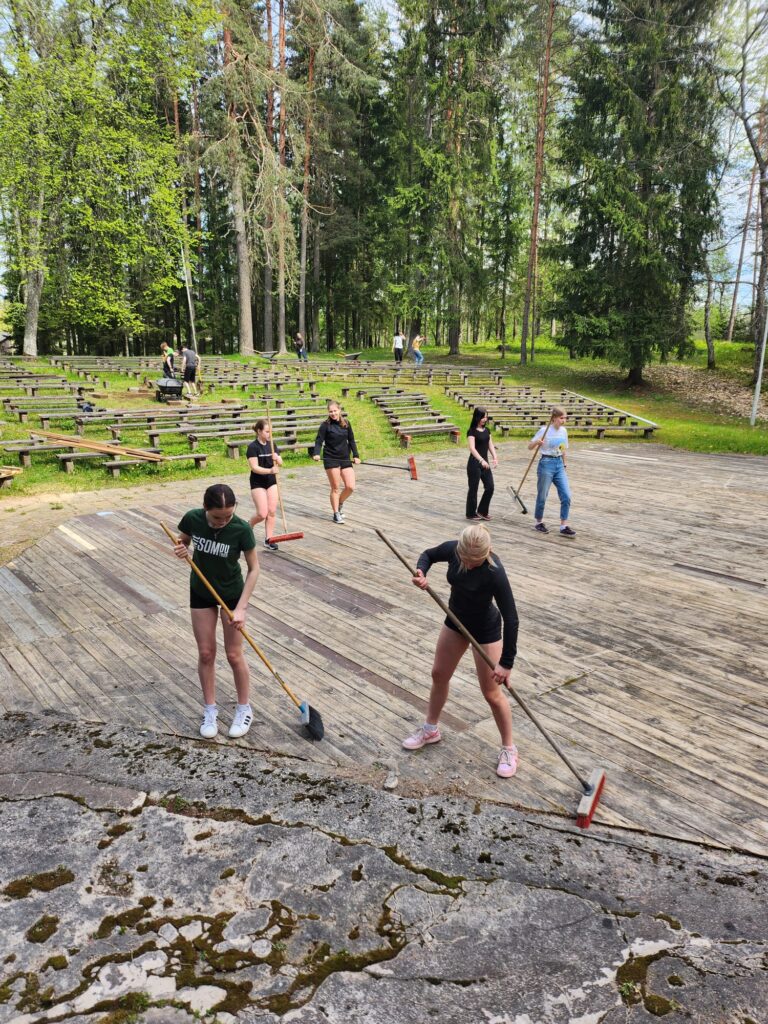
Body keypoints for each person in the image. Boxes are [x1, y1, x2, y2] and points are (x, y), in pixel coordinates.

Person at [401, 524, 520, 779]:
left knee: (490, 692)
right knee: (438, 674)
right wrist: (422, 572)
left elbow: (511, 618)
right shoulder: (455, 550)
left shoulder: (495, 572)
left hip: (485, 630)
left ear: (485, 555)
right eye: (465, 559)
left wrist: (506, 663)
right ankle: (430, 729)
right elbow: (429, 554)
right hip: (455, 620)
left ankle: (509, 748)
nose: (468, 563)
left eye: (474, 561)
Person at [173, 484, 260, 740]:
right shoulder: (193, 518)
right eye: (216, 517)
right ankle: (210, 710)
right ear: (205, 509)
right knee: (206, 652)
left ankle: (244, 709)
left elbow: (254, 569)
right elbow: (183, 541)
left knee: (234, 654)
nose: (222, 522)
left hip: (232, 593)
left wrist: (241, 608)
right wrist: (180, 549)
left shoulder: (242, 529)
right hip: (201, 589)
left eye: (228, 516)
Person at [529, 406, 575, 539]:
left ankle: (563, 525)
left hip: (559, 464)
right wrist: (537, 442)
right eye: (561, 418)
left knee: (566, 494)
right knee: (543, 495)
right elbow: (529, 446)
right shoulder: (544, 430)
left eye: (565, 418)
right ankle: (539, 521)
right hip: (546, 463)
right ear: (554, 418)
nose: (564, 420)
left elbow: (563, 449)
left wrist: (564, 464)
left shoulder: (564, 431)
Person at [312, 400, 360, 524]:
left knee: (350, 487)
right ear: (328, 412)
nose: (333, 413)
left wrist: (356, 455)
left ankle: (339, 503)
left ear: (339, 410)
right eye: (330, 411)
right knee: (335, 488)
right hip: (331, 458)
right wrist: (316, 453)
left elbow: (352, 440)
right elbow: (318, 441)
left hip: (344, 458)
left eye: (335, 411)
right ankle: (336, 513)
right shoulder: (325, 425)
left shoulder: (346, 424)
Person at [247, 419, 284, 551]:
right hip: (258, 482)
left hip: (271, 481)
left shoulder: (272, 444)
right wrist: (269, 470)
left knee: (272, 511)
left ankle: (269, 539)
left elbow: (281, 462)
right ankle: (249, 524)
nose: (270, 434)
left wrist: (277, 458)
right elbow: (254, 467)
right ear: (259, 431)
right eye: (267, 431)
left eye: (271, 431)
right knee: (262, 514)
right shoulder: (253, 447)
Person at [466, 406, 498, 521]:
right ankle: (470, 513)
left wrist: (495, 457)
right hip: (475, 463)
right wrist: (481, 460)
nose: (485, 419)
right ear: (477, 417)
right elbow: (472, 449)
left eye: (486, 417)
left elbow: (490, 444)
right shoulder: (472, 431)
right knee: (473, 488)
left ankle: (482, 511)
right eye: (483, 417)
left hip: (485, 463)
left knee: (490, 487)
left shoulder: (487, 430)